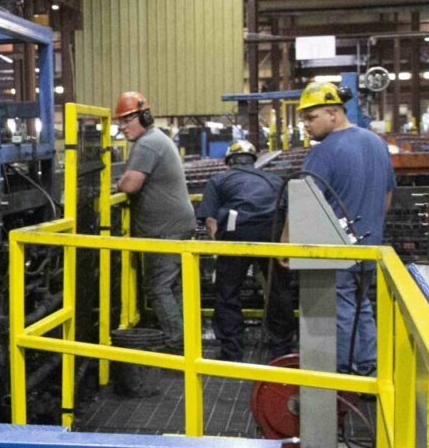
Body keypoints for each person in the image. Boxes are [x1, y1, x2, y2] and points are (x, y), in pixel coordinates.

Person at [297, 79, 394, 374]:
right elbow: (387, 195)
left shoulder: (324, 152)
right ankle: (368, 369)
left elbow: (304, 202)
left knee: (340, 310)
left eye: (311, 117)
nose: (306, 125)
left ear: (333, 113)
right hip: (369, 246)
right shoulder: (376, 143)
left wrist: (287, 245)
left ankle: (341, 376)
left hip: (336, 247)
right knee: (362, 306)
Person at [112, 90, 196, 346]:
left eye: (127, 120)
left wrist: (118, 184)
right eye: (120, 122)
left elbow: (130, 185)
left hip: (165, 230)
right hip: (175, 225)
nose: (122, 127)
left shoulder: (147, 143)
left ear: (145, 117)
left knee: (158, 288)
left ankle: (176, 342)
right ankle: (185, 340)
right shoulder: (156, 139)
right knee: (172, 287)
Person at [199, 140, 294, 362]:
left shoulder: (219, 179)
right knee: (278, 291)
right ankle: (282, 350)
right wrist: (284, 242)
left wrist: (219, 245)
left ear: (228, 162)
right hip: (273, 234)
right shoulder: (275, 179)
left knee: (228, 292)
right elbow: (290, 211)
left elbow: (210, 220)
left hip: (236, 234)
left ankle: (232, 352)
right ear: (254, 160)